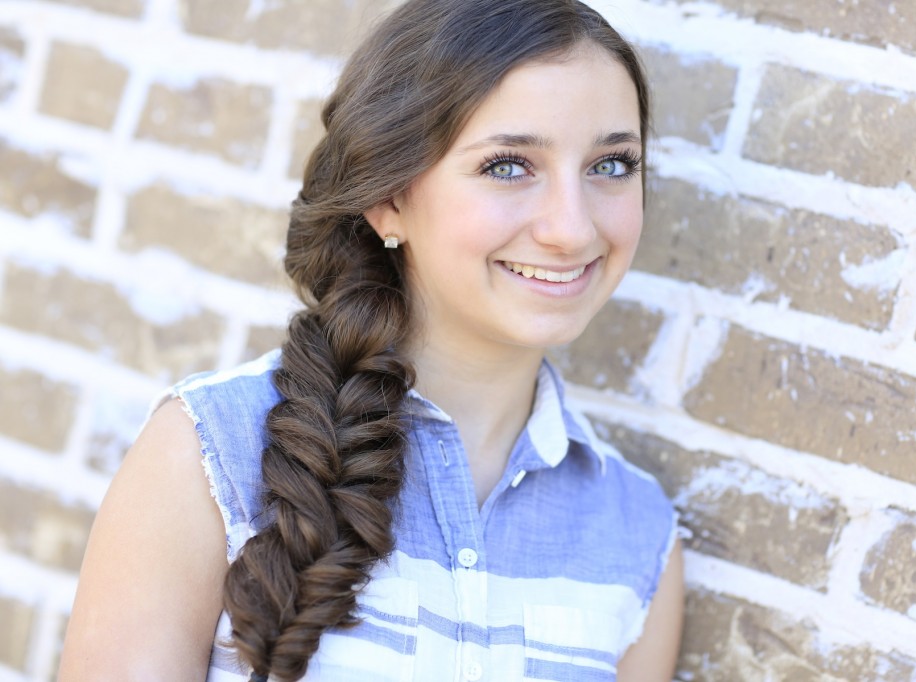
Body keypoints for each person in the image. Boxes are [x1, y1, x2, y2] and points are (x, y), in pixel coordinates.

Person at [58, 0, 685, 679]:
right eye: (508, 165)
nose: (573, 227)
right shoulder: (209, 452)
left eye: (613, 165)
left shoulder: (639, 535)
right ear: (389, 198)